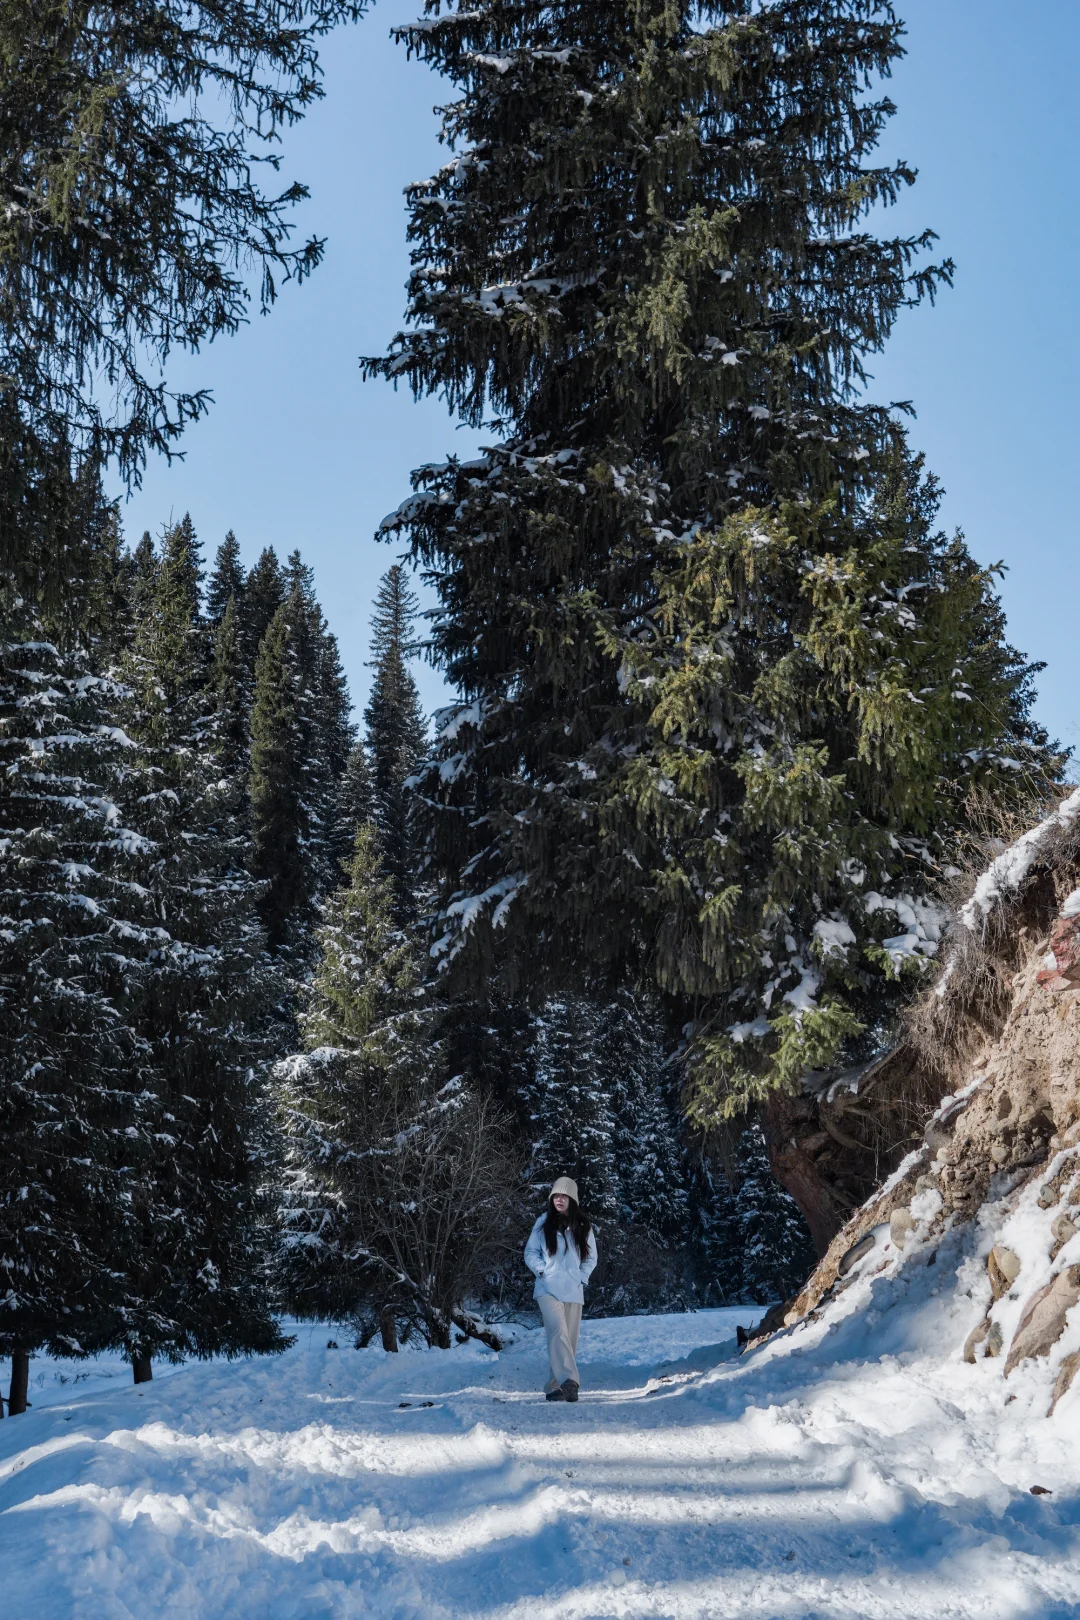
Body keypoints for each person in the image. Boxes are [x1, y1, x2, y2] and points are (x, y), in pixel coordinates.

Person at [524, 1176, 598, 1402]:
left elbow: (591, 1257)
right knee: (558, 1332)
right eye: (555, 1195)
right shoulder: (543, 1222)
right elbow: (530, 1253)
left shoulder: (583, 1226)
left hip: (574, 1290)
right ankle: (570, 1381)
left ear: (572, 1199)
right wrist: (542, 1271)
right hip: (547, 1288)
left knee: (569, 1339)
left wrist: (581, 1277)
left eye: (564, 1196)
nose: (559, 1199)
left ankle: (553, 1387)